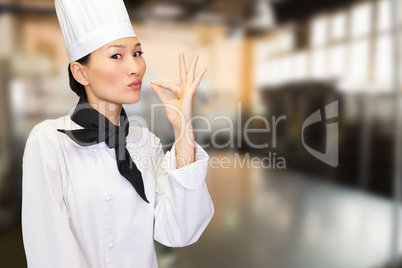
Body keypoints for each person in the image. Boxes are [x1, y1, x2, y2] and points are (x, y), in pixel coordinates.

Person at [21, 0, 214, 267]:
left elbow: (179, 231)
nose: (135, 68)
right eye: (116, 56)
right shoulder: (49, 140)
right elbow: (49, 251)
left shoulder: (146, 143)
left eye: (137, 53)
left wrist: (183, 129)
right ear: (81, 72)